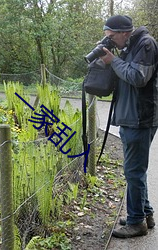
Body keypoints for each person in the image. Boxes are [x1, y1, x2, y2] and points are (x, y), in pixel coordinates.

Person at [100, 15, 158, 238]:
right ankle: (145, 214)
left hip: (140, 118)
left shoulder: (146, 44)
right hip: (130, 117)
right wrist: (110, 60)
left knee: (133, 171)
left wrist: (113, 61)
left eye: (112, 37)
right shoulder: (129, 46)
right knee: (135, 171)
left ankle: (136, 223)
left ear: (124, 32)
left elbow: (137, 77)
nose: (111, 41)